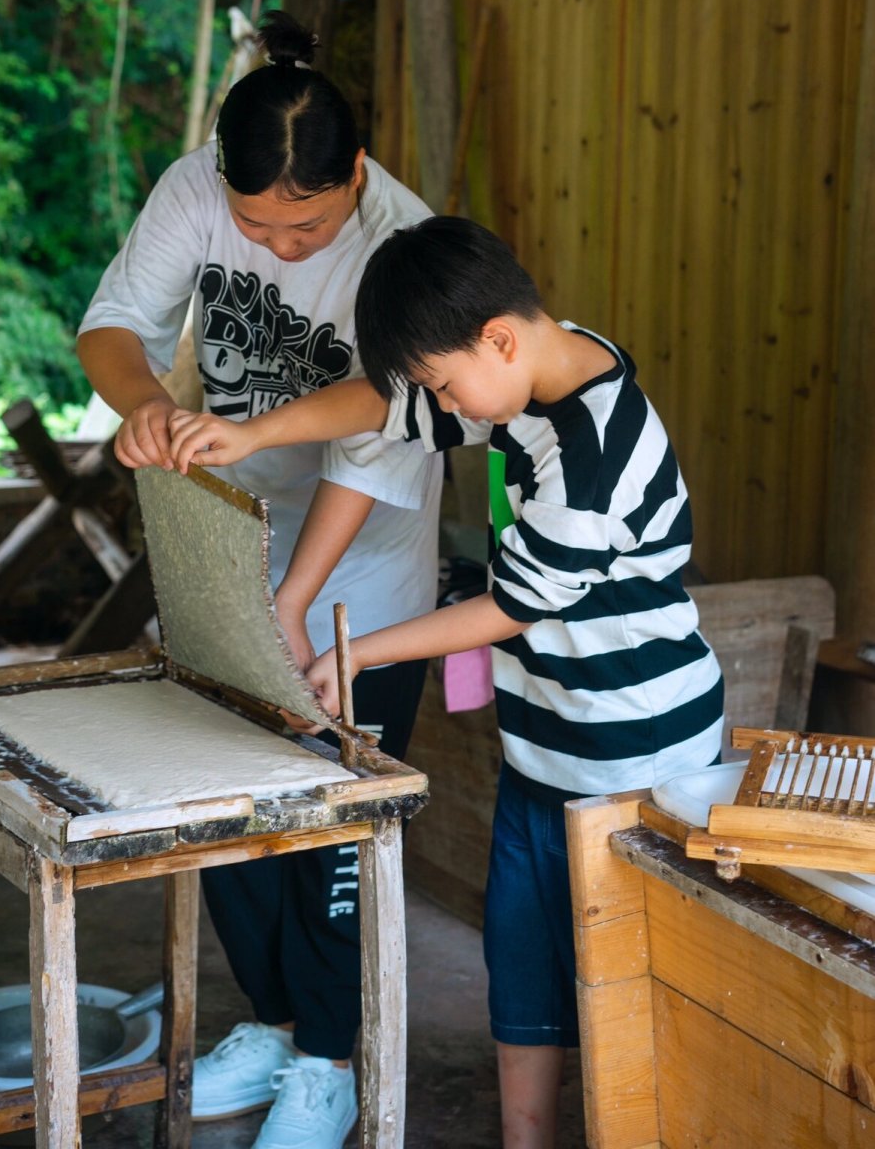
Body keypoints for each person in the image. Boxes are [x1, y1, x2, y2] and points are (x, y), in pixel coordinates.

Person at [167, 215, 725, 1149]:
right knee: (521, 976)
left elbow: (510, 606)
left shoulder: (589, 449)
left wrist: (358, 654)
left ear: (497, 339)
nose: (442, 403)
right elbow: (381, 408)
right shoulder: (535, 367)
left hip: (641, 763)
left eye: (443, 381)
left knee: (642, 990)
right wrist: (249, 431)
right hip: (544, 749)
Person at [77, 12, 443, 1149]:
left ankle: (332, 1058)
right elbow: (111, 325)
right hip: (221, 540)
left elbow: (380, 431)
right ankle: (275, 1025)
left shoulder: (401, 243)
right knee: (225, 814)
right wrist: (147, 403)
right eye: (256, 226)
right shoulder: (192, 187)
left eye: (309, 226)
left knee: (329, 820)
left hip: (357, 572)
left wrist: (288, 604)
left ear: (359, 178)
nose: (282, 248)